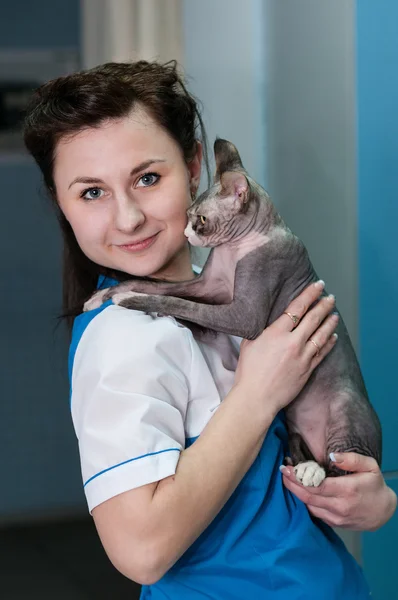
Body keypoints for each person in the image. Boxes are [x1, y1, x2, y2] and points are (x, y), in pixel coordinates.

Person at [23, 60, 396, 599]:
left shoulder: (221, 294)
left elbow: (278, 491)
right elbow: (142, 552)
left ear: (196, 168)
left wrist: (373, 499)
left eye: (147, 178)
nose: (128, 217)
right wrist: (258, 394)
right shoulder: (124, 336)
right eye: (91, 192)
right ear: (61, 203)